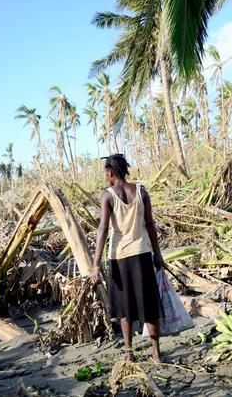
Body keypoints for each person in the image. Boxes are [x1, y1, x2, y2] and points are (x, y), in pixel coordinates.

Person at [92, 154, 165, 362]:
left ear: (110, 172)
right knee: (149, 305)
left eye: (106, 172)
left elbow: (103, 229)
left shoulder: (107, 195)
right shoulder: (141, 191)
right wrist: (158, 255)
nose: (106, 175)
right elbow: (150, 225)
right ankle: (156, 353)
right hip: (142, 253)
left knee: (125, 308)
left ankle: (129, 352)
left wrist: (95, 265)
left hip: (119, 256)